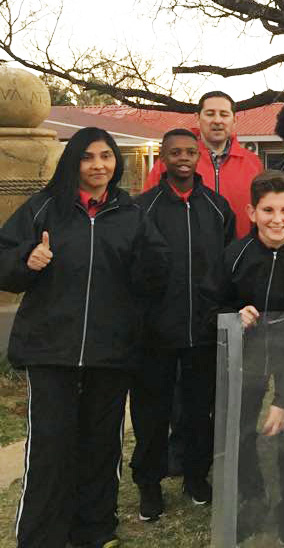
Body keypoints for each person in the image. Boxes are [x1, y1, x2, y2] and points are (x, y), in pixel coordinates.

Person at [0, 127, 168, 548]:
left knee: (101, 446)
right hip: (50, 350)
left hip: (110, 352)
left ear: (116, 162)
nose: (98, 165)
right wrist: (26, 260)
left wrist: (149, 268)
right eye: (88, 157)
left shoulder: (132, 214)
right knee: (50, 448)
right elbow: (4, 260)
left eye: (106, 156)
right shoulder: (43, 208)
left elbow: (154, 276)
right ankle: (42, 537)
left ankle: (94, 531)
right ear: (73, 162)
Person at [205, 170, 284, 546]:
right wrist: (233, 314)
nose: (277, 219)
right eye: (268, 210)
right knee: (241, 432)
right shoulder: (234, 255)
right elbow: (212, 305)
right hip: (247, 360)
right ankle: (252, 499)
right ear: (251, 212)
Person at [130, 129, 235, 522]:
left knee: (198, 412)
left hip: (203, 331)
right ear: (163, 157)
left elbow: (228, 265)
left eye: (190, 152)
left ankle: (195, 477)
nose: (184, 158)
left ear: (199, 156)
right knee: (151, 414)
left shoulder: (217, 207)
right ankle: (149, 483)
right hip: (154, 333)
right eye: (175, 152)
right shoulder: (142, 208)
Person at [147, 91, 264, 238]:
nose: (217, 120)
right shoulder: (171, 163)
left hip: (239, 250)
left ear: (234, 120)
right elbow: (147, 211)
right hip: (184, 250)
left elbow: (263, 213)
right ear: (197, 118)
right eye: (210, 114)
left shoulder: (253, 164)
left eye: (224, 114)